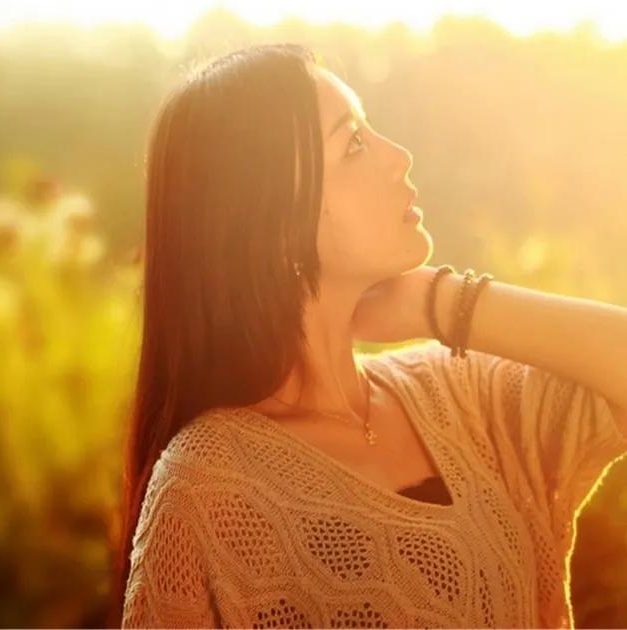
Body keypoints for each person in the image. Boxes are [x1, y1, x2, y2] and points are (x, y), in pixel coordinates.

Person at [108, 43, 627, 628]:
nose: (399, 156)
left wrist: (446, 303)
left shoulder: (459, 393)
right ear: (273, 222)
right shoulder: (212, 488)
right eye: (353, 143)